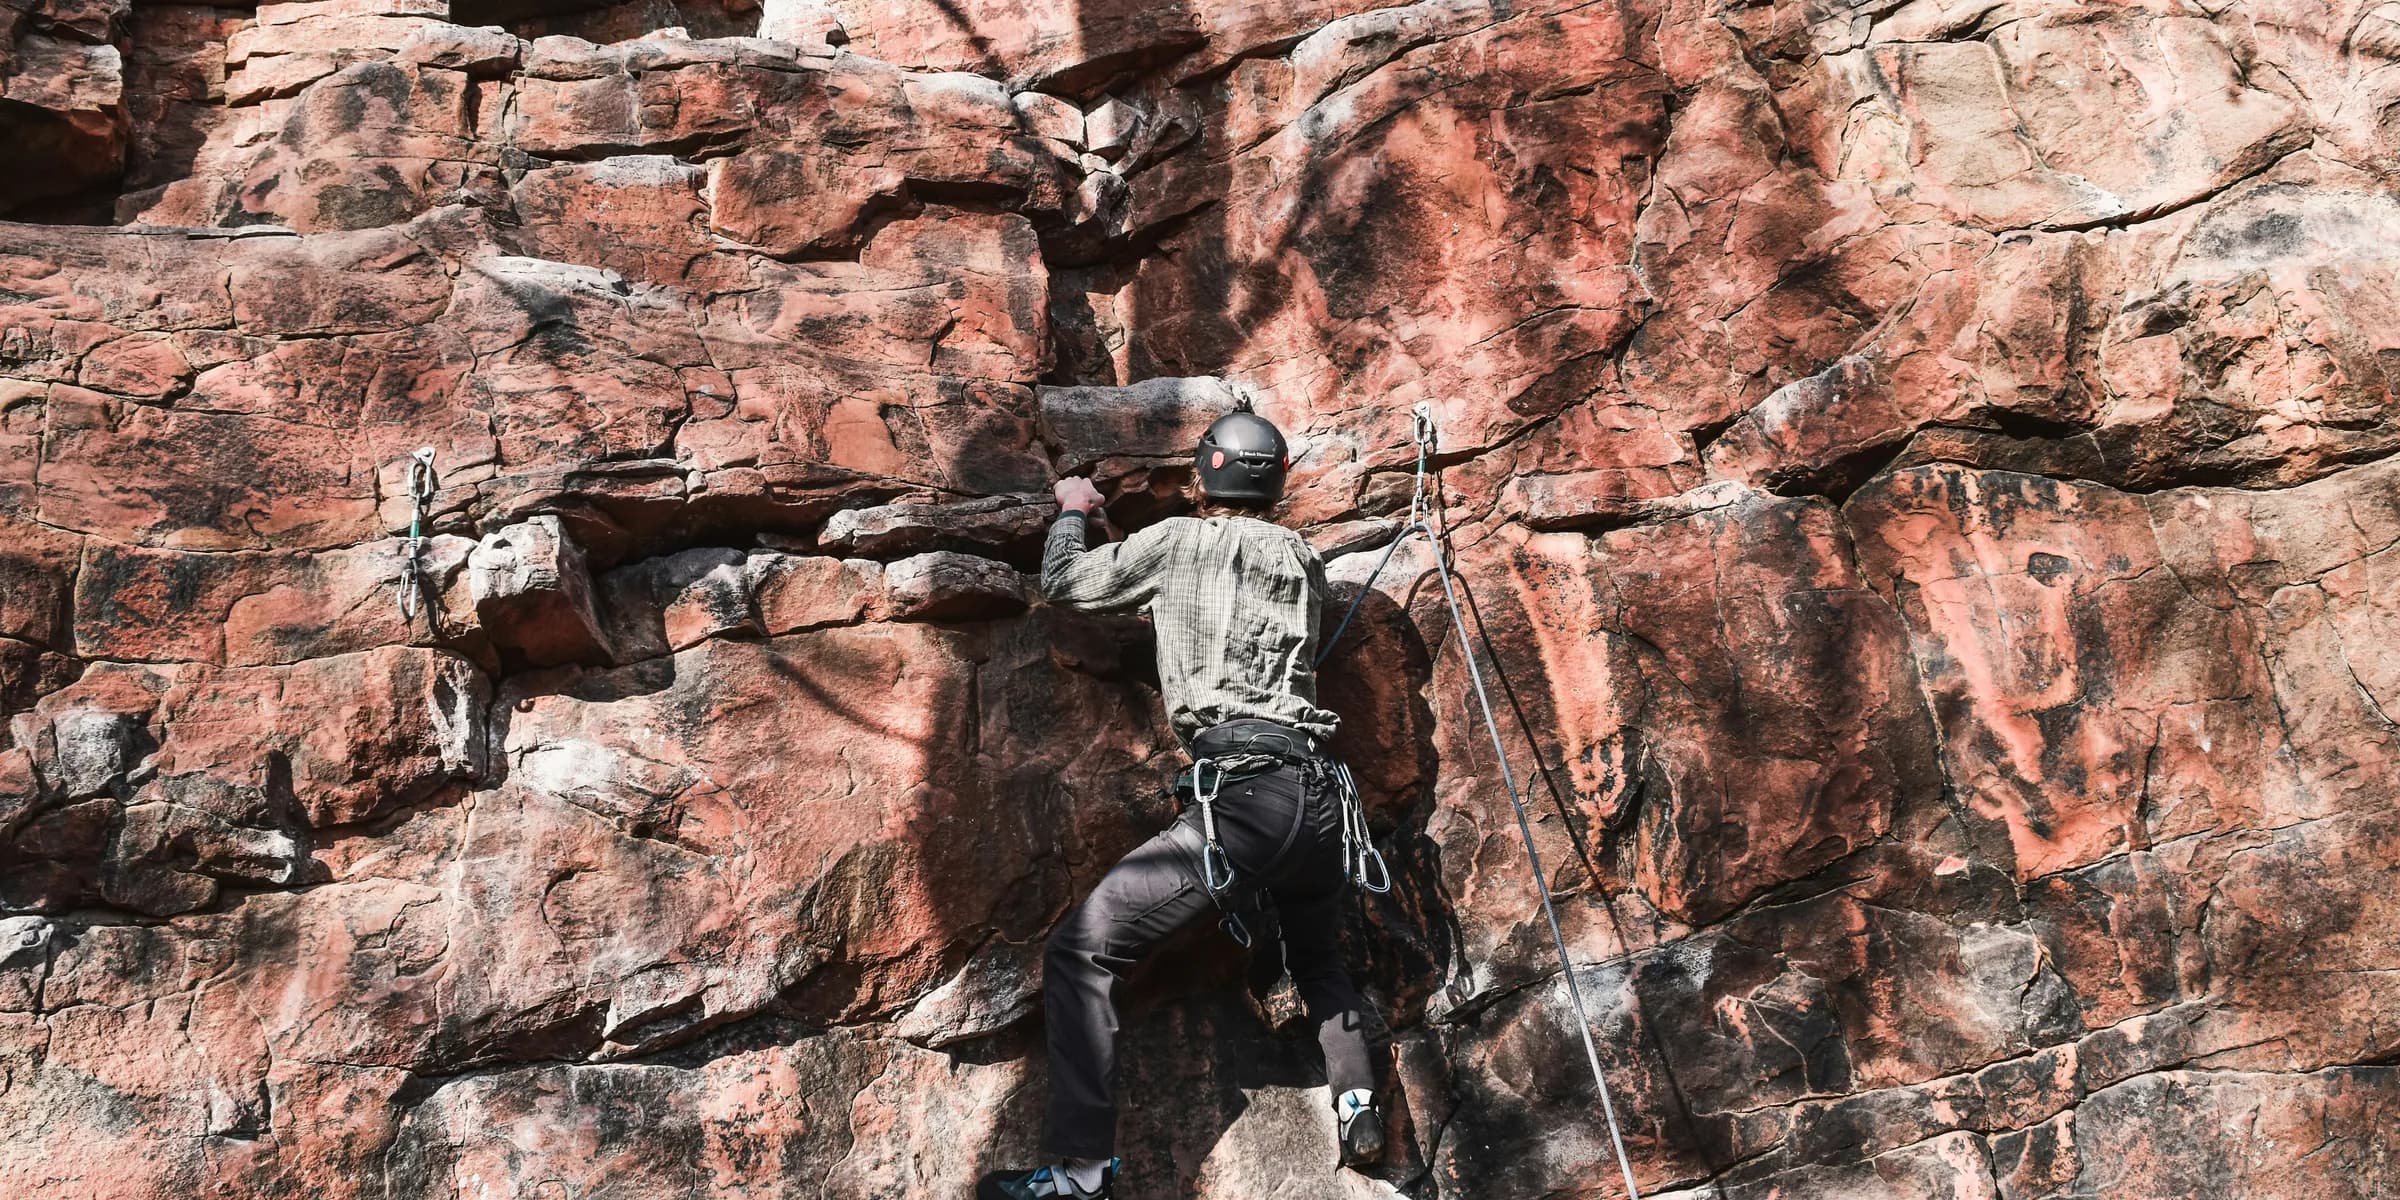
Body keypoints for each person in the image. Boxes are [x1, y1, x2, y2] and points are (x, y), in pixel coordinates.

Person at [977, 405, 1384, 1200]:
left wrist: (1072, 513)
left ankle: (1080, 1175)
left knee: (1082, 951)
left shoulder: (1178, 541)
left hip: (1243, 796)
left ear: (1206, 475)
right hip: (1321, 800)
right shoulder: (1303, 558)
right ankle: (1358, 1102)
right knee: (1318, 957)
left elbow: (1068, 584)